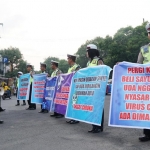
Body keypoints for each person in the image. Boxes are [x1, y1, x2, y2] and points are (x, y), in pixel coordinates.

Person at [86, 44, 104, 133]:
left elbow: (102, 72)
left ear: (91, 51)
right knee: (92, 106)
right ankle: (94, 126)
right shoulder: (89, 63)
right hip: (90, 87)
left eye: (87, 51)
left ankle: (99, 126)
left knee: (98, 106)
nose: (86, 53)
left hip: (97, 87)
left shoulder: (99, 60)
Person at [138, 23, 150, 142]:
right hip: (146, 84)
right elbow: (137, 65)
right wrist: (123, 65)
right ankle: (147, 134)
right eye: (149, 33)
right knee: (146, 109)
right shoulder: (144, 49)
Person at [66, 54, 81, 124]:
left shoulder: (77, 67)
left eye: (68, 59)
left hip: (75, 87)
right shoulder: (69, 68)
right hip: (70, 87)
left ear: (71, 59)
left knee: (75, 102)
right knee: (71, 103)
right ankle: (72, 117)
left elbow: (78, 76)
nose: (67, 60)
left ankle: (76, 118)